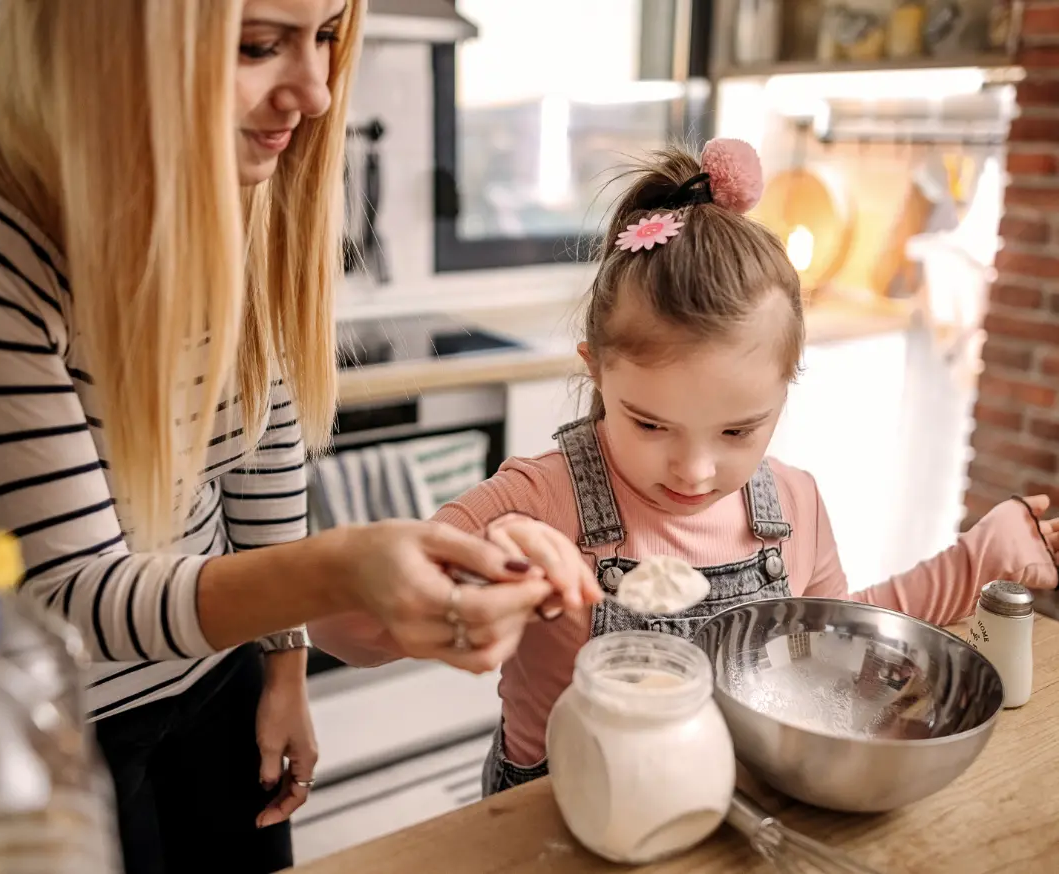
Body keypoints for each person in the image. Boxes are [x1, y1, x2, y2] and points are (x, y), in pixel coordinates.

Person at [0, 2, 601, 872]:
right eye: (260, 45)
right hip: (39, 727)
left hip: (215, 679)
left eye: (327, 35)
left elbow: (260, 452)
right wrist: (341, 565)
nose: (318, 93)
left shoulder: (244, 182)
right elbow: (74, 593)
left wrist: (283, 663)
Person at [308, 139, 1059, 797]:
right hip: (558, 806)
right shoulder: (540, 501)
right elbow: (342, 632)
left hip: (732, 795)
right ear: (595, 370)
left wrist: (978, 558)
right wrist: (455, 588)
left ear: (785, 389)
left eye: (740, 428)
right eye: (649, 423)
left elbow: (838, 654)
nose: (695, 471)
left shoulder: (790, 503)